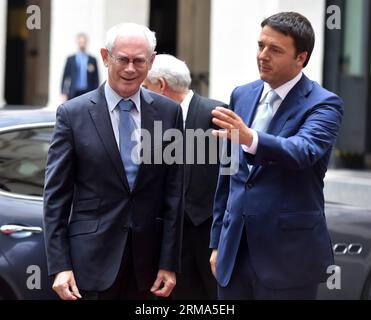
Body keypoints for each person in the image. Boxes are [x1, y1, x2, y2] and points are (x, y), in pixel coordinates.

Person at [43, 23, 184, 300]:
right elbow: (56, 198)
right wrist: (60, 266)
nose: (130, 69)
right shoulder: (73, 114)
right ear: (106, 57)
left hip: (148, 267)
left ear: (151, 62)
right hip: (89, 265)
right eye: (123, 59)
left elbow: (174, 194)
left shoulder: (169, 113)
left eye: (139, 61)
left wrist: (169, 262)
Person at [209, 12, 343, 299]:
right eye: (260, 46)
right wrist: (218, 241)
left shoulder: (324, 104)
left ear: (301, 58)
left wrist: (251, 138)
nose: (262, 55)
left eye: (275, 50)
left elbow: (303, 151)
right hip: (234, 253)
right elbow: (229, 173)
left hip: (287, 257)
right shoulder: (242, 95)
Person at [143, 54, 226, 299]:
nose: (143, 93)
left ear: (160, 85)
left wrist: (221, 241)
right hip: (171, 240)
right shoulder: (152, 119)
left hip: (209, 239)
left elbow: (233, 181)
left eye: (146, 87)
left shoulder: (217, 114)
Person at [61, 33, 99, 101]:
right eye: (80, 42)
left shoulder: (92, 59)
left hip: (88, 91)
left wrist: (96, 93)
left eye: (83, 42)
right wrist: (63, 92)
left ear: (86, 43)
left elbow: (96, 78)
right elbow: (65, 76)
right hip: (73, 91)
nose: (82, 44)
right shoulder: (70, 59)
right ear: (77, 42)